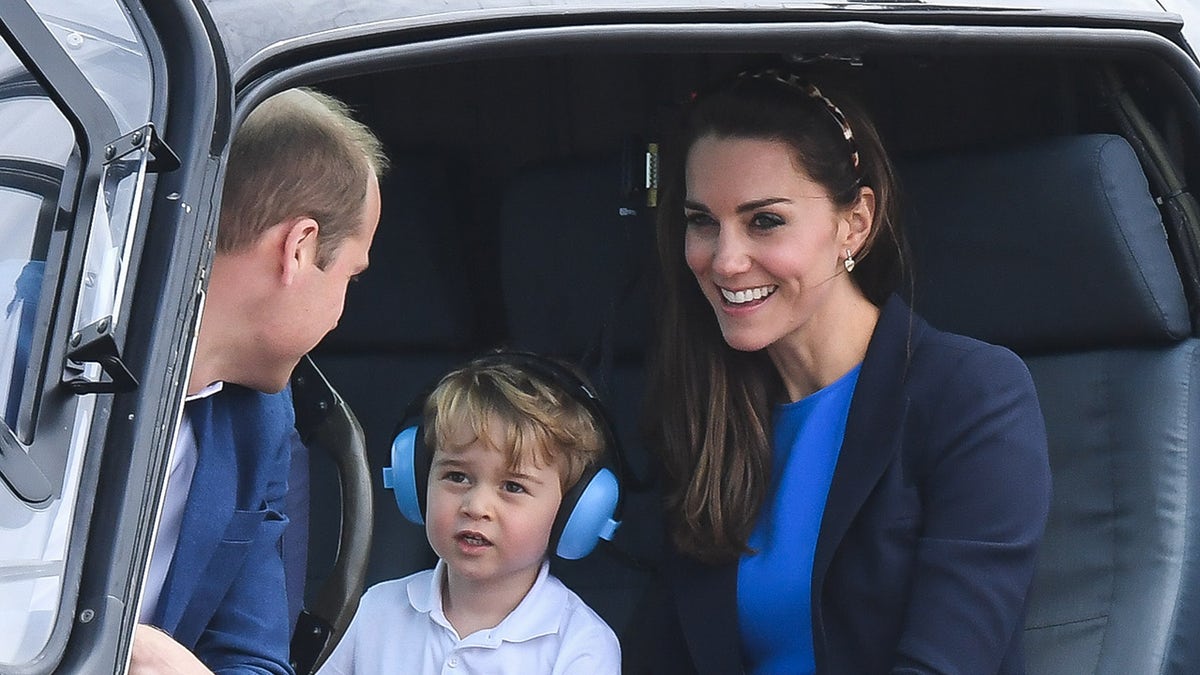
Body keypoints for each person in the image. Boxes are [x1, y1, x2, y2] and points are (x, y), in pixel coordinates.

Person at [624, 67, 1053, 674]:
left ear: (855, 223)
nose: (724, 260)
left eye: (764, 220)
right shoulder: (708, 410)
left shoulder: (972, 394)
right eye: (702, 221)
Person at [130, 87, 387, 675]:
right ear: (299, 248)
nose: (342, 311)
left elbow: (253, 657)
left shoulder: (262, 423)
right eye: (350, 275)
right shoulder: (24, 336)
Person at [316, 354, 621, 674]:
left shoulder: (581, 645)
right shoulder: (373, 613)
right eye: (457, 477)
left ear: (574, 513)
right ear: (417, 482)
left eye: (513, 487)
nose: (476, 507)